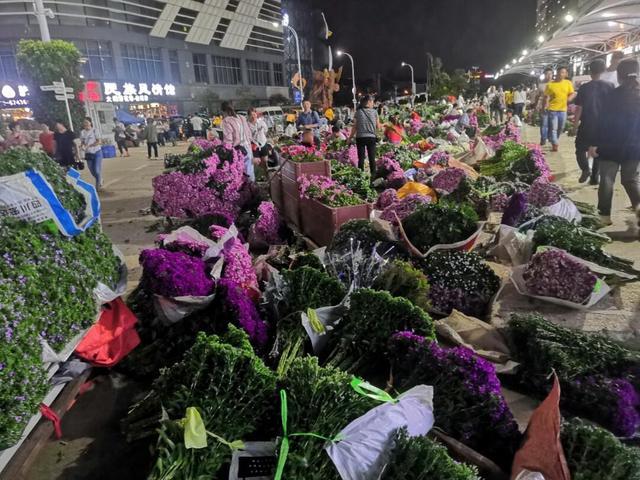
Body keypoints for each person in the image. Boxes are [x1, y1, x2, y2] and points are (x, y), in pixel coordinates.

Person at [589, 58, 640, 228]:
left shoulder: (612, 95)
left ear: (619, 76)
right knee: (630, 179)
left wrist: (594, 143)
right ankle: (639, 205)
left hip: (611, 144)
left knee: (607, 179)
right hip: (634, 145)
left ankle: (604, 216)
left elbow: (602, 121)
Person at [573, 59, 615, 184]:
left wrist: (575, 126)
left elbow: (579, 108)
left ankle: (585, 169)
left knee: (580, 149)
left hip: (587, 124)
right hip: (604, 126)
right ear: (604, 70)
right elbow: (614, 108)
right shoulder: (610, 86)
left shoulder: (584, 88)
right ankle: (595, 177)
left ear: (590, 71)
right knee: (598, 151)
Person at [349, 95, 382, 177]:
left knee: (361, 158)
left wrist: (350, 137)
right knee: (372, 158)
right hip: (371, 137)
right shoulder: (374, 112)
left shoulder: (358, 112)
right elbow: (378, 127)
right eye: (372, 102)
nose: (373, 104)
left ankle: (360, 176)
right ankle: (373, 176)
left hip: (360, 137)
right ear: (369, 102)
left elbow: (354, 127)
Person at [544, 66, 576, 152]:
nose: (560, 74)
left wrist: (569, 99)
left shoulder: (568, 83)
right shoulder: (550, 84)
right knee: (554, 128)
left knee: (561, 128)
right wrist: (545, 106)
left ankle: (555, 140)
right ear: (556, 73)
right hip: (553, 109)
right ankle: (555, 143)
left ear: (566, 74)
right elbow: (546, 96)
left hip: (563, 110)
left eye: (562, 72)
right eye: (559, 72)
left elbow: (573, 93)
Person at [221, 101, 255, 181]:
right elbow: (249, 133)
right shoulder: (242, 117)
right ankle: (253, 190)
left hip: (238, 150)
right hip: (248, 148)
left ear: (224, 111)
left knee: (239, 174)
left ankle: (245, 191)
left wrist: (225, 151)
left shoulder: (226, 121)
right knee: (250, 172)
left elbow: (228, 139)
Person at [80, 118, 103, 189]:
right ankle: (100, 179)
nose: (85, 124)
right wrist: (82, 146)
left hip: (97, 152)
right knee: (92, 171)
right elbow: (82, 142)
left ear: (90, 123)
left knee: (96, 169)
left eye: (87, 122)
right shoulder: (82, 132)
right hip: (88, 153)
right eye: (84, 122)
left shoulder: (95, 130)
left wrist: (89, 145)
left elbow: (99, 141)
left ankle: (98, 186)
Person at [537, 67, 554, 145]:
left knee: (552, 124)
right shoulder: (541, 85)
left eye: (550, 74)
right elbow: (539, 96)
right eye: (547, 74)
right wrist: (537, 106)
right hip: (543, 107)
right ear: (544, 75)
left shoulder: (555, 84)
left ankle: (550, 137)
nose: (549, 75)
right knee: (544, 124)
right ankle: (543, 138)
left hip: (553, 107)